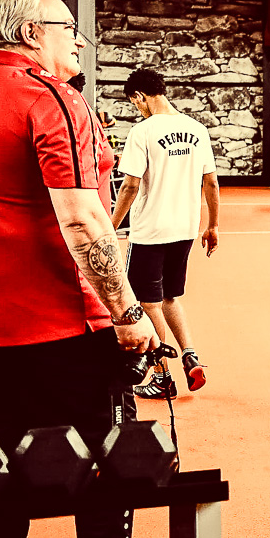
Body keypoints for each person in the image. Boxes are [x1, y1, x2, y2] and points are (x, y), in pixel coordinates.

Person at [0, 0, 158, 538]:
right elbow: (82, 220)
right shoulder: (51, 98)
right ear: (29, 31)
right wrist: (127, 313)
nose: (78, 38)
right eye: (68, 26)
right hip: (63, 327)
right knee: (104, 463)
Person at [110, 68, 220, 399]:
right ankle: (190, 355)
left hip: (150, 232)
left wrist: (108, 227)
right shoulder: (197, 129)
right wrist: (213, 225)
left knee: (146, 304)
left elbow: (129, 186)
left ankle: (162, 376)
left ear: (139, 96)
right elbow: (212, 182)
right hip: (185, 229)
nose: (137, 109)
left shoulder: (141, 132)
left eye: (135, 103)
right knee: (169, 298)